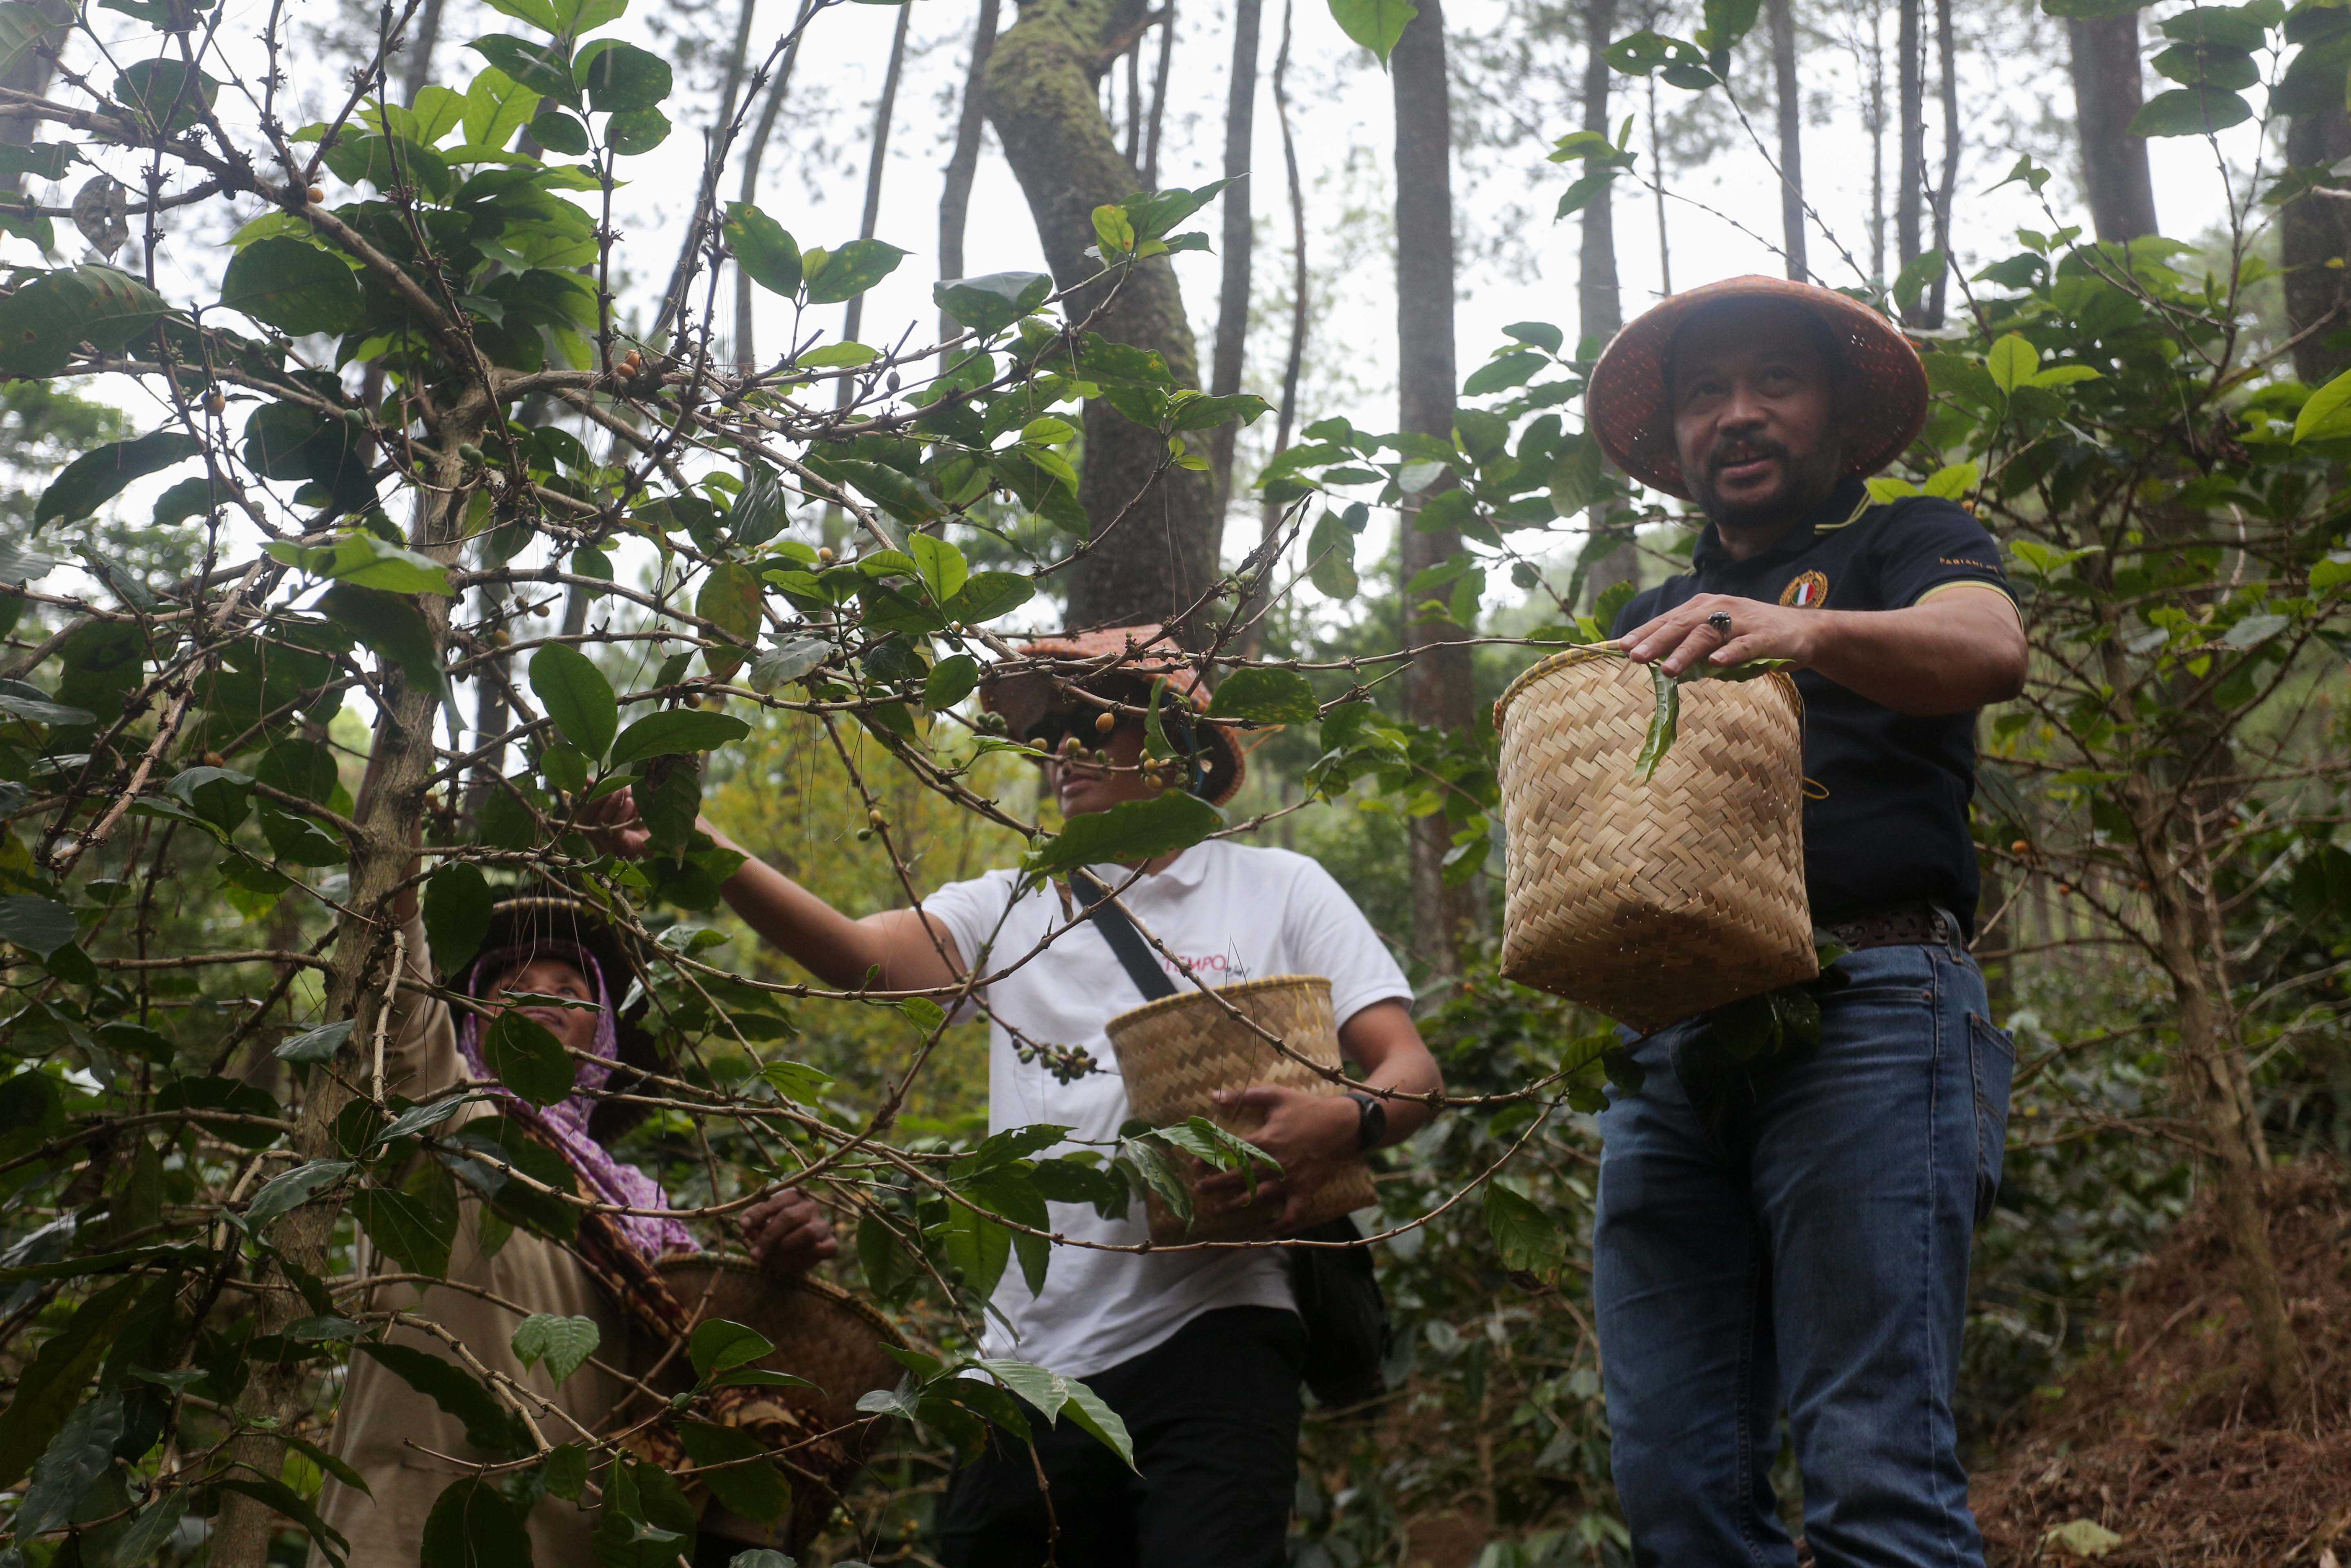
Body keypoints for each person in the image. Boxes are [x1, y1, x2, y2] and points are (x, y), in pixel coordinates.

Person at [592, 626, 1446, 1568]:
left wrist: (1343, 1120)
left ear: (1179, 745)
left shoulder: (1279, 887)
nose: (1062, 752)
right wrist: (694, 838)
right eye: (1051, 735)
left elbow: (1408, 1071)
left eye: (1096, 723)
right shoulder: (1011, 903)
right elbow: (857, 957)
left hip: (1218, 1325)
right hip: (1026, 1362)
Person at [1581, 275, 2029, 1568]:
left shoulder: (1908, 541)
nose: (1737, 414)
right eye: (1705, 393)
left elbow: (1987, 647)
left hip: (1872, 1006)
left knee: (1870, 1473)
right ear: (1670, 441)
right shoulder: (1644, 618)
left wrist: (1800, 629)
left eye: (1772, 380)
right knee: (1675, 1483)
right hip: (1673, 1050)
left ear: (1834, 413)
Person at [315, 773, 838, 1567]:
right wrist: (407, 753)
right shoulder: (439, 1115)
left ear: (603, 1035)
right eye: (511, 987)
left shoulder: (649, 1217)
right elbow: (397, 958)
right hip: (412, 1532)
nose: (541, 1000)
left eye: (568, 990)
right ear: (472, 1023)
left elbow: (691, 1401)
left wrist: (777, 1274)